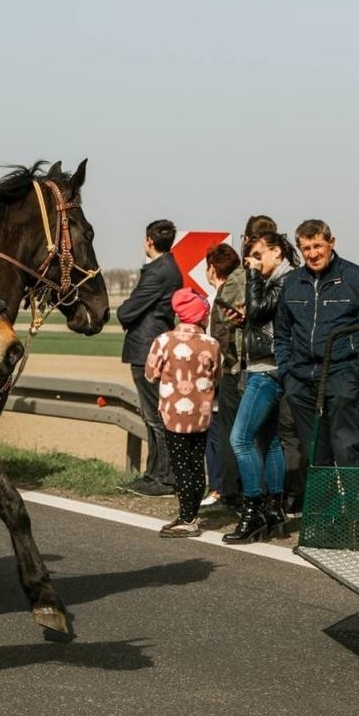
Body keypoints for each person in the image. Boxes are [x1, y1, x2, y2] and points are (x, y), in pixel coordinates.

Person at [273, 220, 359, 469]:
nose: (313, 254)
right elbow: (281, 333)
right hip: (300, 379)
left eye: (318, 246)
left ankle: (358, 507)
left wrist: (357, 376)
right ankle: (325, 507)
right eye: (306, 248)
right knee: (314, 454)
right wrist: (287, 373)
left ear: (331, 243)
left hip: (342, 376)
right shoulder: (292, 283)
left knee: (346, 448)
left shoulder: (357, 279)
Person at [222, 232, 299, 543]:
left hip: (267, 369)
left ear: (276, 252)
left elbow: (259, 310)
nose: (250, 261)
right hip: (266, 364)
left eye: (256, 254)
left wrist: (252, 275)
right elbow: (263, 316)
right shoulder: (280, 281)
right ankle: (273, 509)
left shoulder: (285, 280)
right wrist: (246, 321)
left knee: (240, 439)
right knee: (270, 443)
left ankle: (252, 510)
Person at [145, 289, 222, 538]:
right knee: (196, 463)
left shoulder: (164, 341)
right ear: (202, 316)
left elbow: (150, 373)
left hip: (173, 414)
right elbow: (217, 375)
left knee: (180, 466)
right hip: (202, 413)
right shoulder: (212, 344)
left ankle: (187, 518)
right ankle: (191, 513)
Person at [118, 219, 183, 496]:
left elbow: (128, 311)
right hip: (152, 347)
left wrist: (123, 312)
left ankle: (164, 478)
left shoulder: (158, 272)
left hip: (147, 349)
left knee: (155, 416)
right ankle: (154, 473)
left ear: (149, 241)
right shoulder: (168, 268)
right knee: (153, 415)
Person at [203, 242, 245, 509]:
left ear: (212, 270)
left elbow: (219, 341)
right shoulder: (238, 291)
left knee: (223, 435)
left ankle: (225, 490)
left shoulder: (221, 299)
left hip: (226, 375)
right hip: (236, 373)